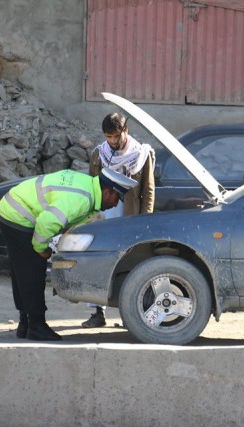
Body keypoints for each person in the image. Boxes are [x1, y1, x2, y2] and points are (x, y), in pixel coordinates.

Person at [0, 168, 137, 341]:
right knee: (33, 269)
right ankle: (36, 326)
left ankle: (25, 323)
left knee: (21, 269)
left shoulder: (88, 188)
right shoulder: (81, 199)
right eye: (117, 199)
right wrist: (42, 249)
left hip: (11, 208)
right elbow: (47, 223)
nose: (116, 205)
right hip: (17, 215)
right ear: (107, 192)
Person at [82, 112, 156, 328]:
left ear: (126, 131)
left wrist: (146, 221)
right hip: (104, 218)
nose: (113, 141)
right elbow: (91, 187)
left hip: (131, 217)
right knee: (99, 262)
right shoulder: (99, 154)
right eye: (108, 137)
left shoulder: (141, 154)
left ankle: (133, 316)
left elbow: (148, 190)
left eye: (116, 136)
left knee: (133, 264)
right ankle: (97, 312)